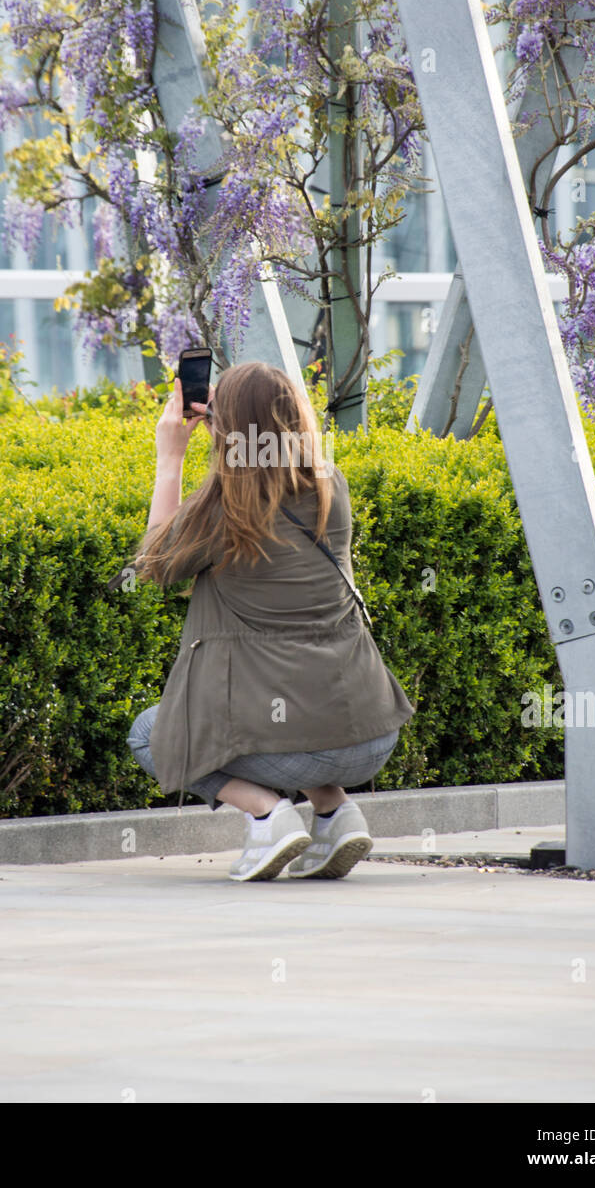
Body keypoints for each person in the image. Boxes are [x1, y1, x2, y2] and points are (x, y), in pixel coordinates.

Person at [119, 360, 415, 882]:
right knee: (293, 708)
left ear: (224, 427)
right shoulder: (329, 485)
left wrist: (171, 458)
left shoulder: (222, 508)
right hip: (369, 737)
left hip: (288, 749)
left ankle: (267, 813)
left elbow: (155, 567)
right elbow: (269, 463)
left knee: (151, 732)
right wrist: (240, 423)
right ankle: (335, 814)